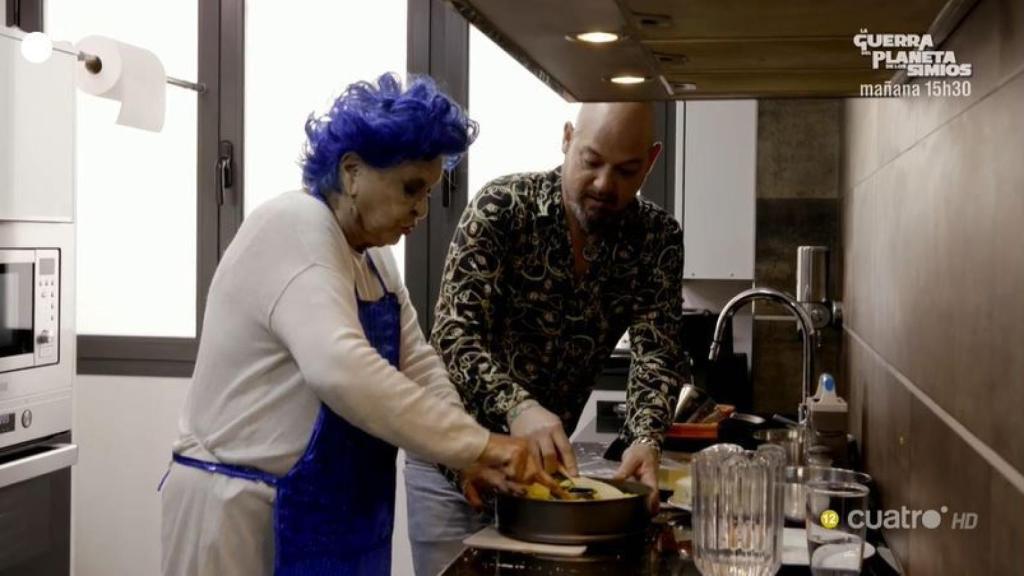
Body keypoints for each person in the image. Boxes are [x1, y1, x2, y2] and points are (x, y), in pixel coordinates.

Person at [160, 73, 553, 576]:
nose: (421, 209)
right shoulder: (293, 226)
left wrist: (466, 452)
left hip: (331, 516)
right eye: (411, 187)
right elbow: (341, 369)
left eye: (429, 191)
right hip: (241, 515)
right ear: (351, 172)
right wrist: (480, 445)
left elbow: (420, 367)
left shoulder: (374, 260)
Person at [405, 102, 687, 575]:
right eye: (591, 161)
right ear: (567, 138)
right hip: (455, 461)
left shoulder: (656, 239)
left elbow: (656, 350)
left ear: (652, 161)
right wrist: (518, 406)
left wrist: (646, 439)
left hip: (542, 474)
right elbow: (453, 333)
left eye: (625, 170)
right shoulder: (502, 207)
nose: (603, 184)